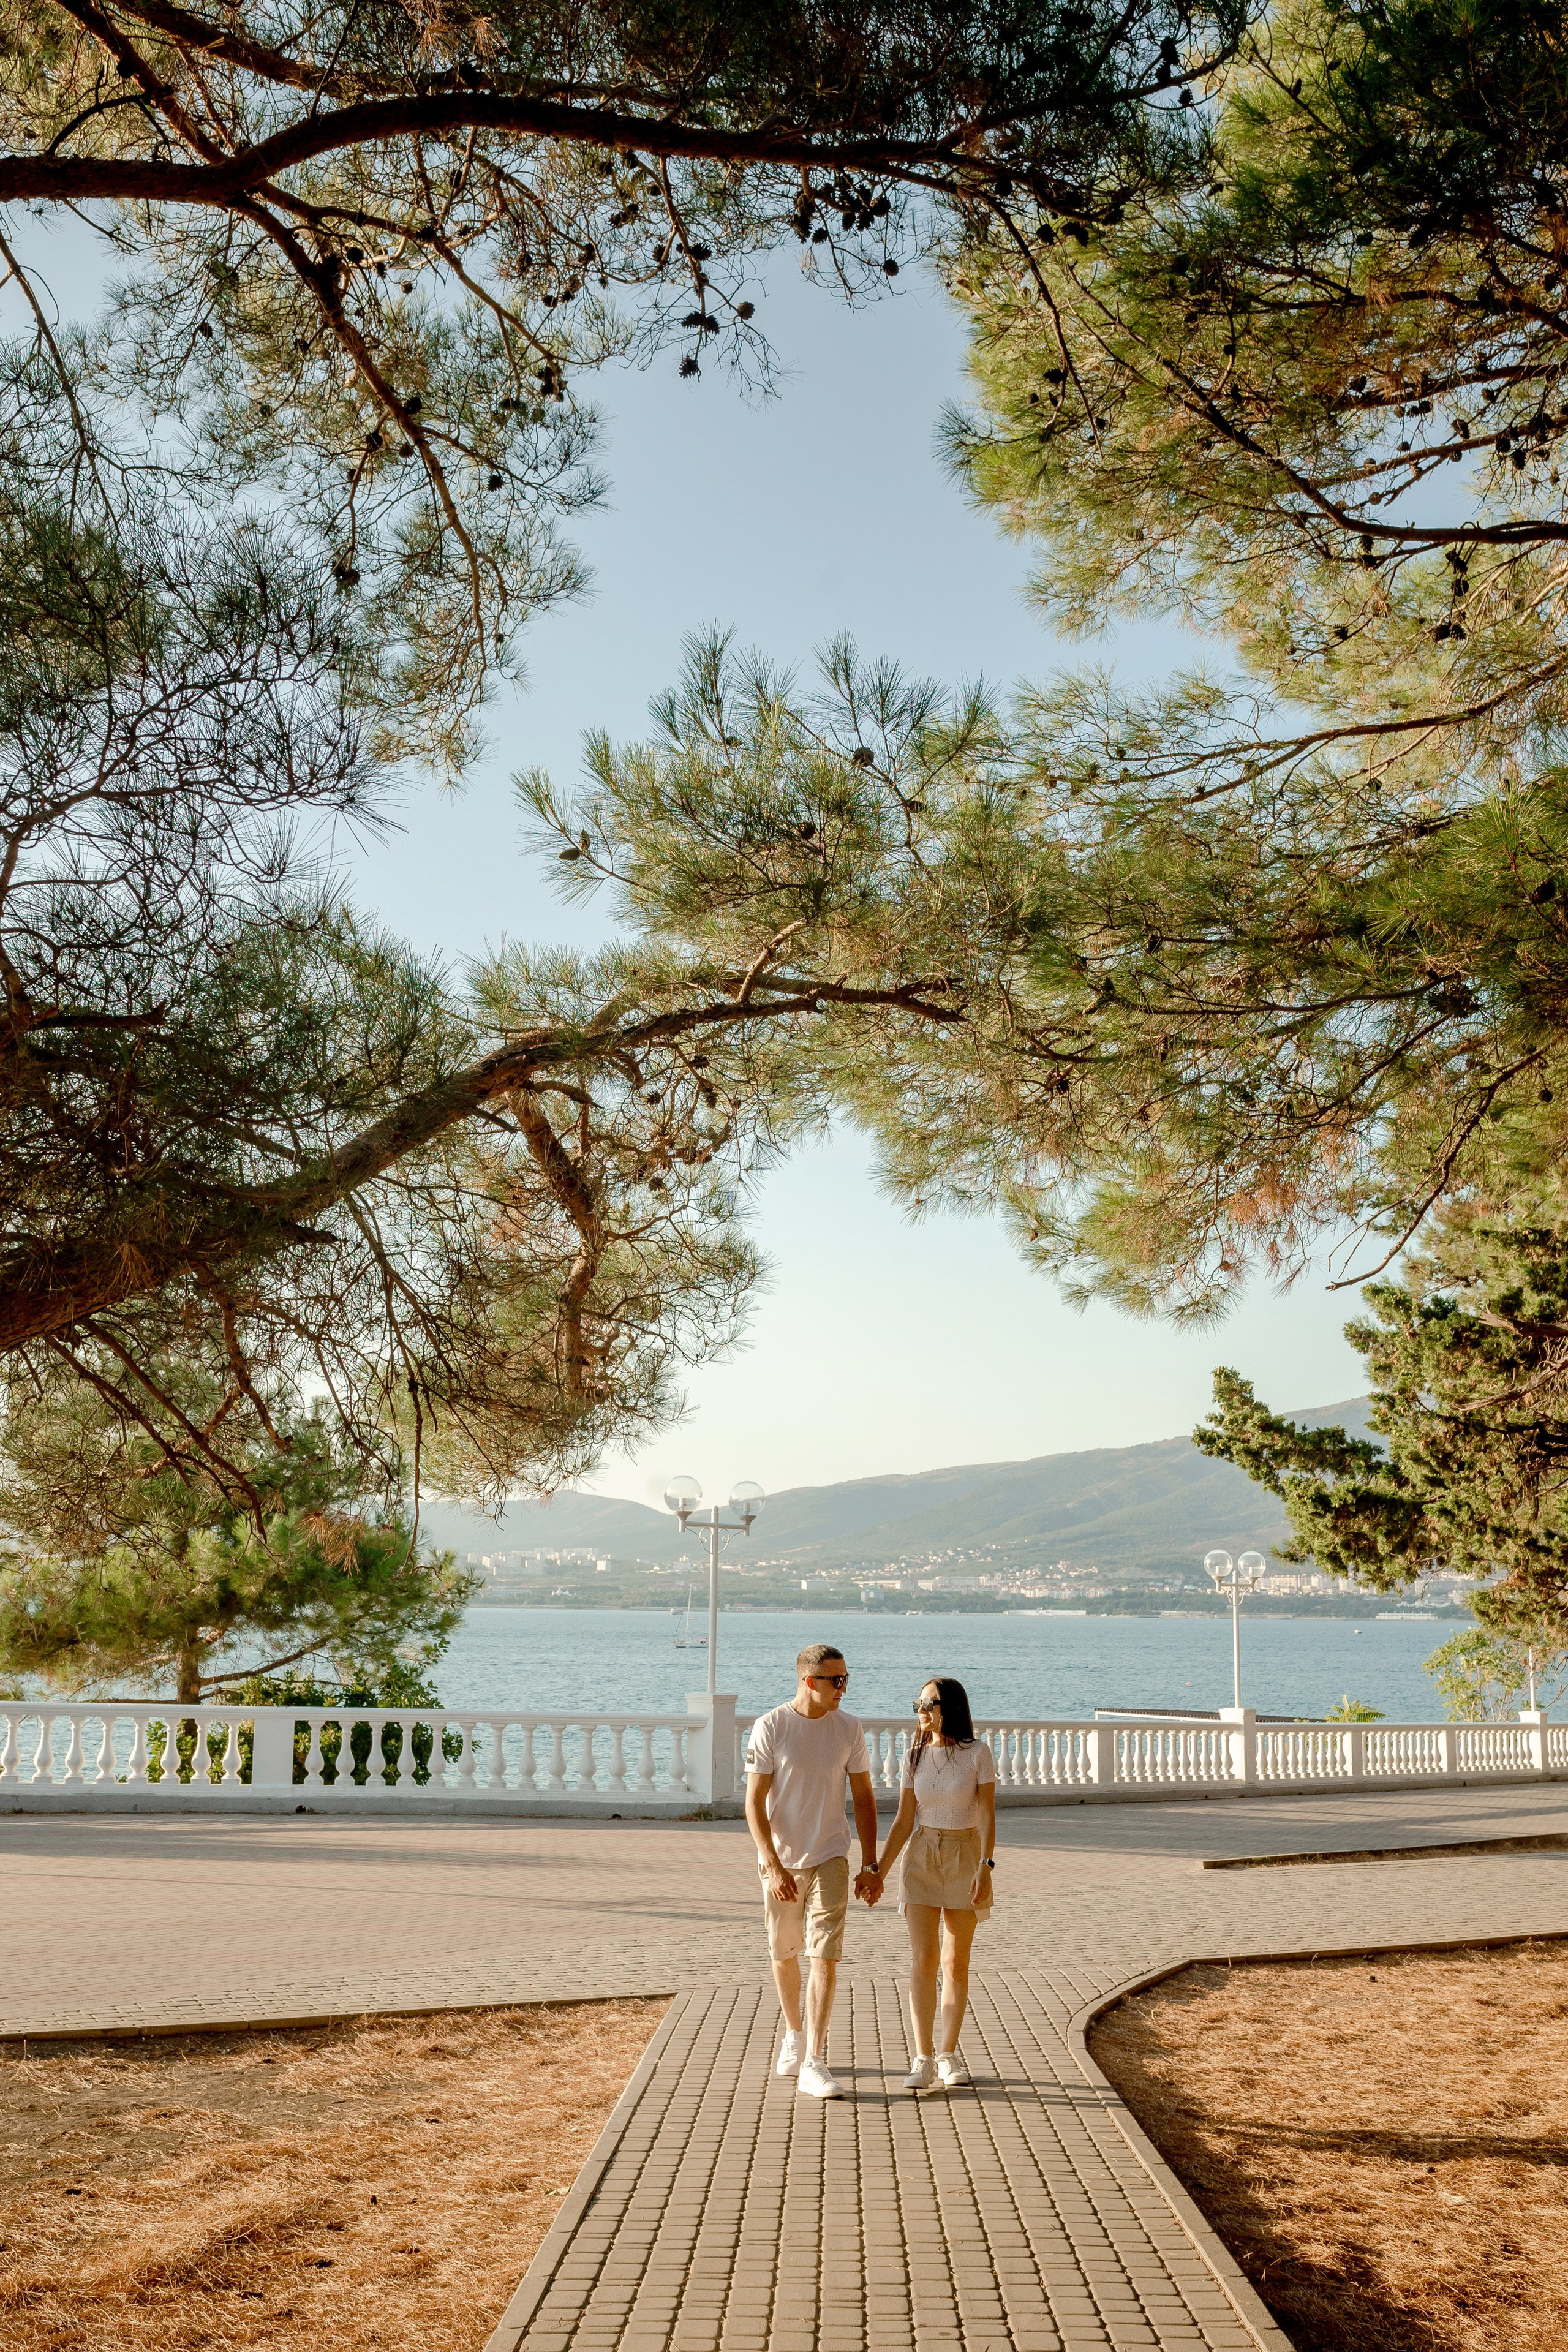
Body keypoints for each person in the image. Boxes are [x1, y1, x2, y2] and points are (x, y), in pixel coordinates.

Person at [744, 1640, 881, 2098]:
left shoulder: (849, 1728)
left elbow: (863, 1798)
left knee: (824, 1955)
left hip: (831, 1856)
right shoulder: (772, 1726)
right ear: (809, 1681)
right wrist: (771, 1862)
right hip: (782, 1860)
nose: (844, 1688)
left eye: (847, 1679)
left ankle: (815, 2060)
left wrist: (871, 1863)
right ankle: (794, 2034)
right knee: (784, 1953)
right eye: (836, 1680)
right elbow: (754, 1802)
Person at [873, 1675, 996, 2090]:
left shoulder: (978, 1754)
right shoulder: (914, 1757)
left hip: (966, 1857)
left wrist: (986, 1865)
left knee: (956, 1963)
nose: (921, 1711)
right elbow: (904, 1821)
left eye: (928, 1704)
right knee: (923, 1960)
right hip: (922, 1857)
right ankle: (922, 2057)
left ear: (951, 1708)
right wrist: (877, 1872)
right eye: (918, 1704)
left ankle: (948, 2055)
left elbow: (987, 1815)